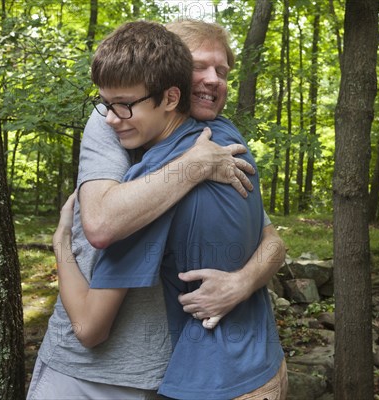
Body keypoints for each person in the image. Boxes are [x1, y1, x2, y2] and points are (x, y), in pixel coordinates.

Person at [27, 19, 286, 400]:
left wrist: (241, 282)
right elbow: (103, 221)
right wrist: (194, 166)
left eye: (223, 71)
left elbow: (271, 239)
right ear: (170, 82)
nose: (213, 79)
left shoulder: (216, 141)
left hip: (161, 371)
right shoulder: (120, 122)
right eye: (199, 65)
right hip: (92, 371)